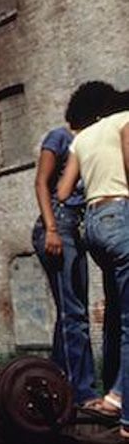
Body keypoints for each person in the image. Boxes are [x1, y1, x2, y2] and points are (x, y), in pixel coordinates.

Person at [32, 81, 115, 407]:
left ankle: (54, 384)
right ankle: (83, 393)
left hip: (78, 228)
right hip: (58, 225)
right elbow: (42, 183)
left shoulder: (89, 142)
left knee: (71, 312)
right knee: (74, 314)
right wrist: (52, 229)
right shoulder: (60, 137)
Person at [58, 89, 129, 430]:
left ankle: (115, 396)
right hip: (121, 214)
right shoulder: (126, 121)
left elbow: (63, 191)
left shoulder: (82, 138)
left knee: (118, 314)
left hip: (94, 226)